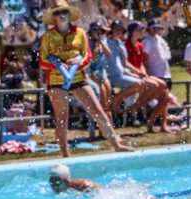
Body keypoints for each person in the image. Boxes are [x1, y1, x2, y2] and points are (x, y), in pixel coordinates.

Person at [39, 0, 132, 157]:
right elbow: (43, 60)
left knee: (97, 111)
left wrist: (77, 62)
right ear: (53, 17)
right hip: (55, 80)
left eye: (64, 12)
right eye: (57, 13)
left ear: (69, 15)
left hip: (78, 78)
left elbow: (87, 56)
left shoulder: (80, 33)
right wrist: (59, 64)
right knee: (62, 117)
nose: (61, 15)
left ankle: (116, 145)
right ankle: (65, 154)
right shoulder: (48, 36)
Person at [126, 20, 170, 132]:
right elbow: (127, 63)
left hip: (153, 74)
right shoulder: (132, 44)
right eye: (140, 29)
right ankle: (139, 109)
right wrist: (144, 74)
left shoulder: (142, 44)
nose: (142, 31)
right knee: (160, 89)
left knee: (165, 98)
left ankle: (153, 122)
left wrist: (143, 73)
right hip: (137, 74)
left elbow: (141, 63)